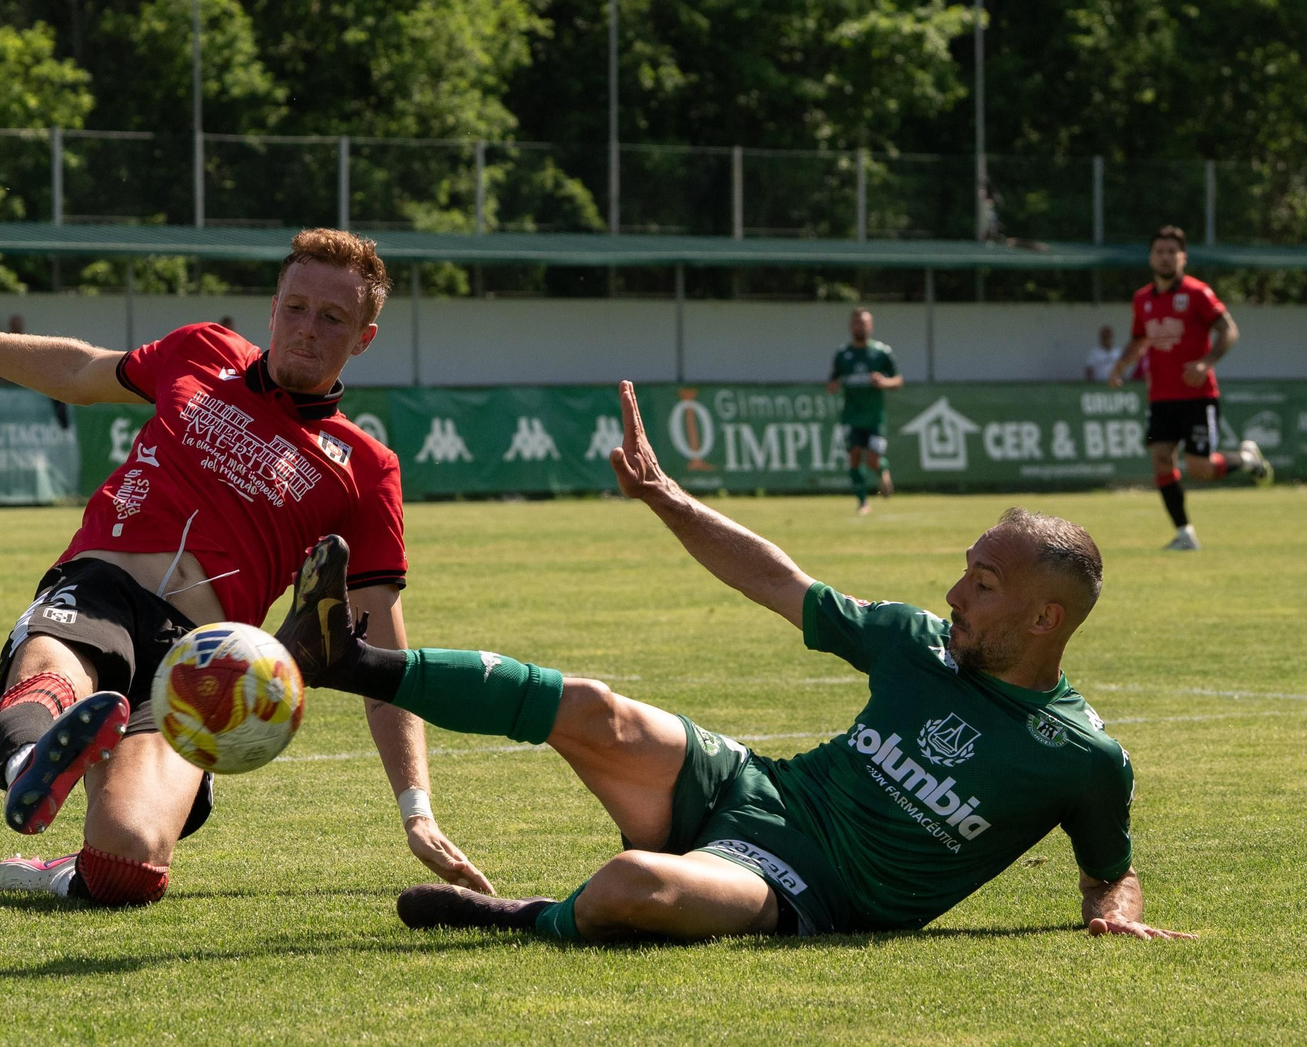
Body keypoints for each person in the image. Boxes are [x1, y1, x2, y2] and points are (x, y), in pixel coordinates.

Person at [276, 381, 1193, 943]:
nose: (955, 594)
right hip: (750, 789)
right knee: (596, 708)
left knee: (635, 887)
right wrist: (667, 497)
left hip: (800, 890)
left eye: (983, 585)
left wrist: (1112, 909)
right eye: (964, 571)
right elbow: (779, 580)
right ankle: (344, 659)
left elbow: (1108, 867)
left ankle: (524, 917)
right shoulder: (918, 644)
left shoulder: (1081, 759)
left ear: (1045, 616)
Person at [0, 228, 489, 907]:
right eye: (295, 308)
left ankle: (57, 868)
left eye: (332, 318)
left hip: (202, 665)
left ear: (363, 337)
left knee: (128, 863)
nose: (306, 329)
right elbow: (79, 371)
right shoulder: (200, 350)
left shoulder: (364, 469)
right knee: (55, 676)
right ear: (273, 307)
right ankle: (31, 762)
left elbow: (379, 646)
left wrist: (416, 808)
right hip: (102, 587)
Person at [1108, 226, 1272, 551]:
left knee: (1200, 468)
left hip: (1198, 396)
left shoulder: (1198, 293)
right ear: (1151, 257)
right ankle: (1185, 534)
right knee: (1161, 460)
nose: (1165, 257)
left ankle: (1246, 457)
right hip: (1161, 398)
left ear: (1183, 257)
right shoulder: (1142, 299)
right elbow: (1140, 338)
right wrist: (1122, 365)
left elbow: (1229, 330)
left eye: (1172, 251)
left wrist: (1206, 362)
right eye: (1160, 251)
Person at [826, 308, 902, 514]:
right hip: (851, 416)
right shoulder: (843, 354)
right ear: (851, 327)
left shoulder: (881, 353)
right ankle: (862, 502)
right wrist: (832, 385)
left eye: (864, 323)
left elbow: (898, 380)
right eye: (856, 323)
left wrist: (884, 382)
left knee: (872, 460)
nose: (860, 326)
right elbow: (832, 380)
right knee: (854, 456)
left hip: (874, 417)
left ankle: (882, 470)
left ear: (871, 326)